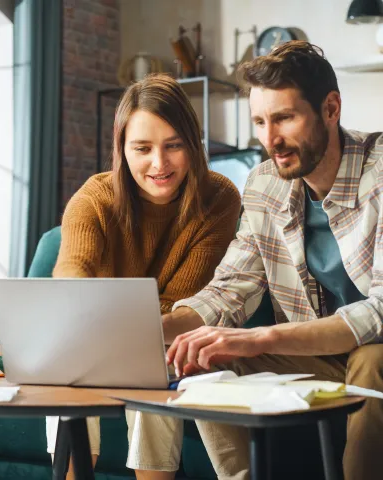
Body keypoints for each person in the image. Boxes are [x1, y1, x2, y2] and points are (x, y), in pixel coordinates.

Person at [163, 40, 383, 480]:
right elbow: (231, 287)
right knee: (207, 358)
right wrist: (147, 331)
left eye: (284, 118)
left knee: (374, 360)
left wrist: (261, 338)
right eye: (260, 122)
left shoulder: (379, 172)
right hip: (315, 356)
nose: (270, 140)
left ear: (331, 109)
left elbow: (380, 311)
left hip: (374, 351)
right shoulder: (265, 184)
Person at [42, 73, 241, 480]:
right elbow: (71, 272)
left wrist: (111, 325)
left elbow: (186, 303)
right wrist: (83, 314)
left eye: (173, 146)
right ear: (122, 149)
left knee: (157, 370)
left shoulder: (219, 198)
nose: (159, 163)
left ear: (193, 144)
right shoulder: (95, 197)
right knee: (68, 372)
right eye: (142, 148)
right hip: (94, 340)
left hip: (166, 339)